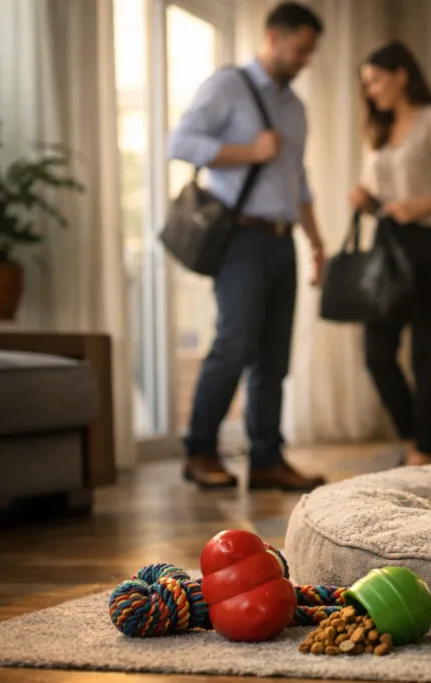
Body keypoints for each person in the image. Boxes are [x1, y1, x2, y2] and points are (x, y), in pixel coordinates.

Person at [167, 2, 327, 490]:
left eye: (310, 53)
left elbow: (298, 182)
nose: (305, 61)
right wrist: (248, 152)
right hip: (239, 237)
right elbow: (180, 142)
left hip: (282, 241)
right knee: (233, 343)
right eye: (300, 50)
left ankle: (265, 460)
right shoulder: (228, 85)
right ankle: (200, 451)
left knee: (273, 357)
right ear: (273, 38)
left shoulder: (295, 109)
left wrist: (316, 244)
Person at [352, 41, 431, 467]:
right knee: (376, 352)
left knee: (427, 351)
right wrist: (365, 198)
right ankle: (415, 436)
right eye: (365, 83)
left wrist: (420, 205)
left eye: (375, 80)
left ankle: (425, 452)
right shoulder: (378, 130)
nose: (369, 90)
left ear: (401, 74)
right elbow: (383, 195)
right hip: (388, 245)